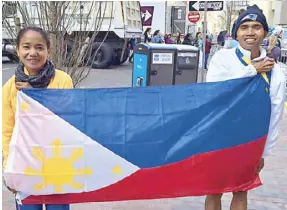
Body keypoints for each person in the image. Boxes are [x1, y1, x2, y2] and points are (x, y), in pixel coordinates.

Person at [205, 5, 286, 210]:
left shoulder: (275, 70)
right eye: (245, 27)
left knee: (241, 192)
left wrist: (263, 153)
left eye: (256, 26)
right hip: (218, 139)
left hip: (249, 142)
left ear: (265, 32)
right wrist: (252, 70)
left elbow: (275, 114)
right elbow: (215, 92)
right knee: (214, 192)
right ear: (236, 33)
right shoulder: (222, 59)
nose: (250, 32)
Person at [2, 27, 73, 210]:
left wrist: (35, 96)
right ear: (17, 50)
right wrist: (9, 169)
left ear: (48, 50)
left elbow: (67, 119)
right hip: (25, 165)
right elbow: (7, 132)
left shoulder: (63, 81)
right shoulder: (9, 88)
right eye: (26, 47)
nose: (33, 53)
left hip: (58, 163)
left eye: (39, 47)